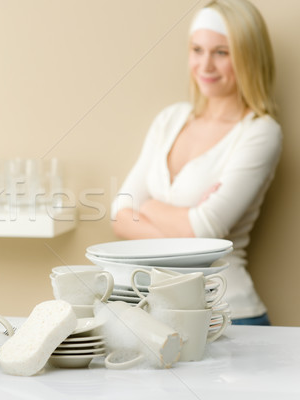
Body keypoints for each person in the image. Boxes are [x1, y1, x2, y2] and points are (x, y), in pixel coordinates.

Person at [110, 0, 281, 325]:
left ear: (248, 57)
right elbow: (119, 214)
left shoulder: (261, 132)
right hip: (156, 311)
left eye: (222, 52)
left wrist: (148, 208)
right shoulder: (169, 119)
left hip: (228, 314)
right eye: (197, 49)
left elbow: (206, 228)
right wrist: (193, 244)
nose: (206, 65)